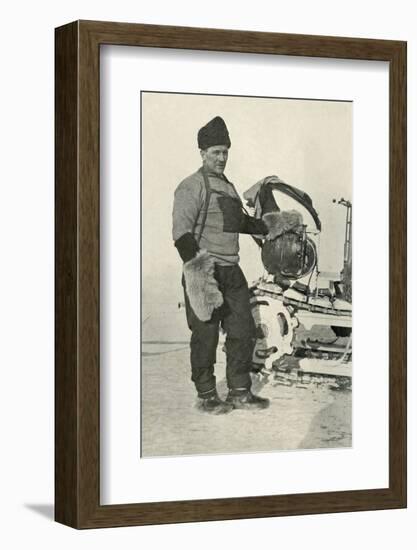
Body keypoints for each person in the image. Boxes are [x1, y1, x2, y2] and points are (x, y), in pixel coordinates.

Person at [172, 116, 294, 414]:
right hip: (205, 271)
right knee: (206, 336)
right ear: (202, 153)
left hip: (232, 271)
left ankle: (240, 390)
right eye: (216, 152)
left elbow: (241, 222)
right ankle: (207, 395)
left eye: (225, 151)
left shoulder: (227, 188)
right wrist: (200, 280)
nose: (222, 158)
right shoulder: (191, 187)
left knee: (244, 330)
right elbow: (181, 234)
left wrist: (277, 225)